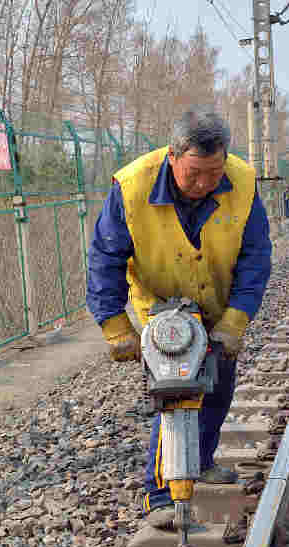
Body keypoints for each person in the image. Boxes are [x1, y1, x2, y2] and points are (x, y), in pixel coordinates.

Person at [86, 106, 273, 521]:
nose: (205, 184)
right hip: (161, 305)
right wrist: (115, 327)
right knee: (175, 391)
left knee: (219, 388)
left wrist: (234, 321)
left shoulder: (242, 182)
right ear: (172, 157)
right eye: (194, 174)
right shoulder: (132, 186)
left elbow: (256, 256)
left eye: (214, 173)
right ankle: (162, 495)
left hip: (216, 300)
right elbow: (105, 258)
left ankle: (200, 461)